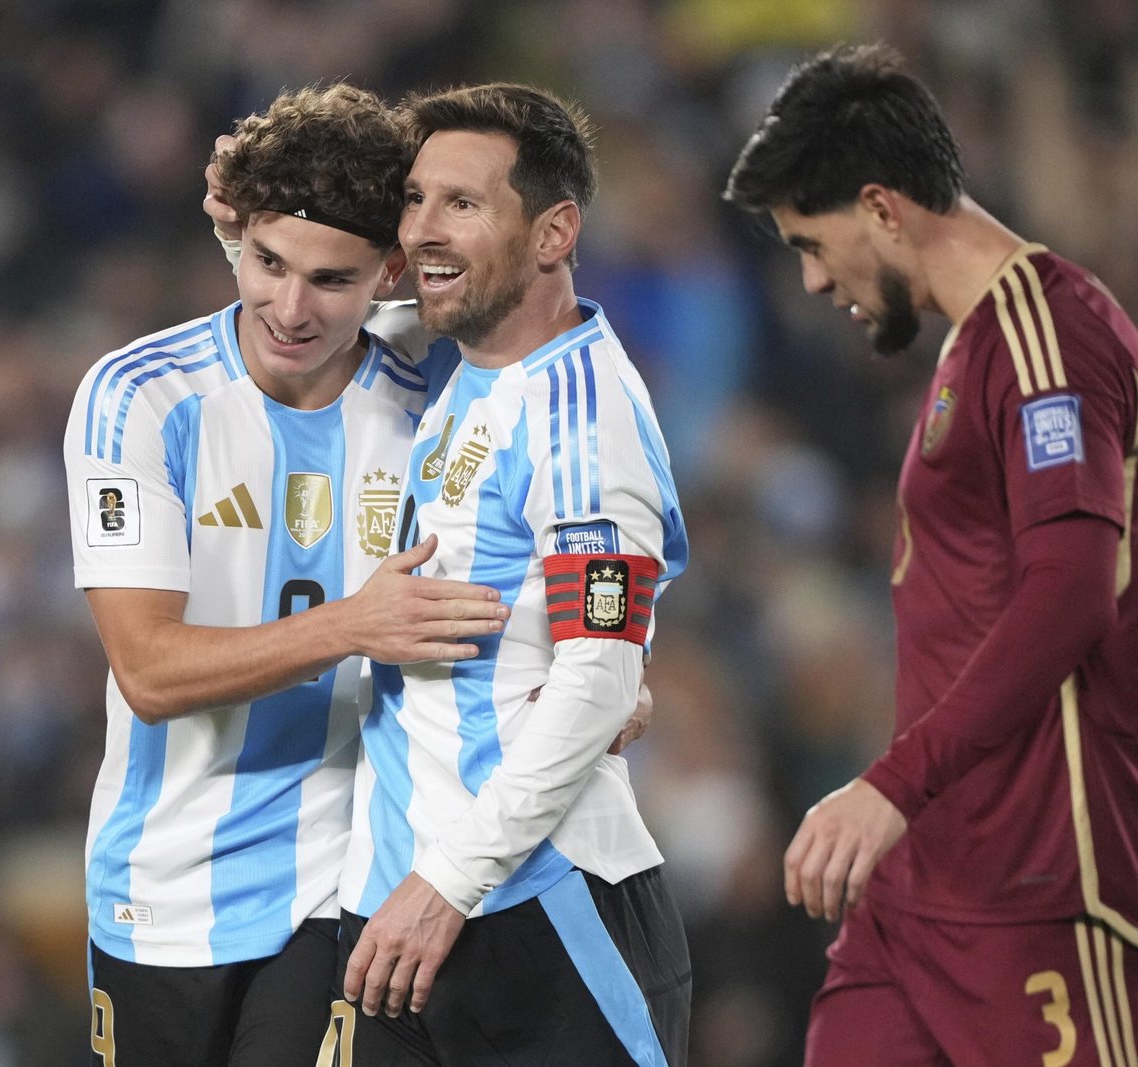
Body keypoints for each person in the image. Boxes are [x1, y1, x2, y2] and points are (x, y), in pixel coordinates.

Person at [723, 44, 1138, 1065]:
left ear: (882, 208)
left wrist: (894, 786)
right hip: (924, 891)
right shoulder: (977, 345)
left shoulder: (1051, 341)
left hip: (1041, 893)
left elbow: (1070, 595)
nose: (812, 278)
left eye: (813, 243)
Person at [62, 83, 512, 1066]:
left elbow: (545, 302)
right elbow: (148, 670)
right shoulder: (139, 398)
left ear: (391, 271)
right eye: (267, 262)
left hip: (339, 881)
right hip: (159, 885)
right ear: (235, 237)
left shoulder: (439, 391)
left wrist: (604, 661)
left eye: (331, 279)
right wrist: (353, 624)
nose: (291, 308)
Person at [308, 84, 694, 1067]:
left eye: (462, 203)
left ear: (553, 232)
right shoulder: (462, 370)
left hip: (536, 914)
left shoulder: (581, 412)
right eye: (415, 199)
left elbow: (597, 675)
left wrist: (450, 880)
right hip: (400, 911)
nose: (420, 231)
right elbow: (300, 317)